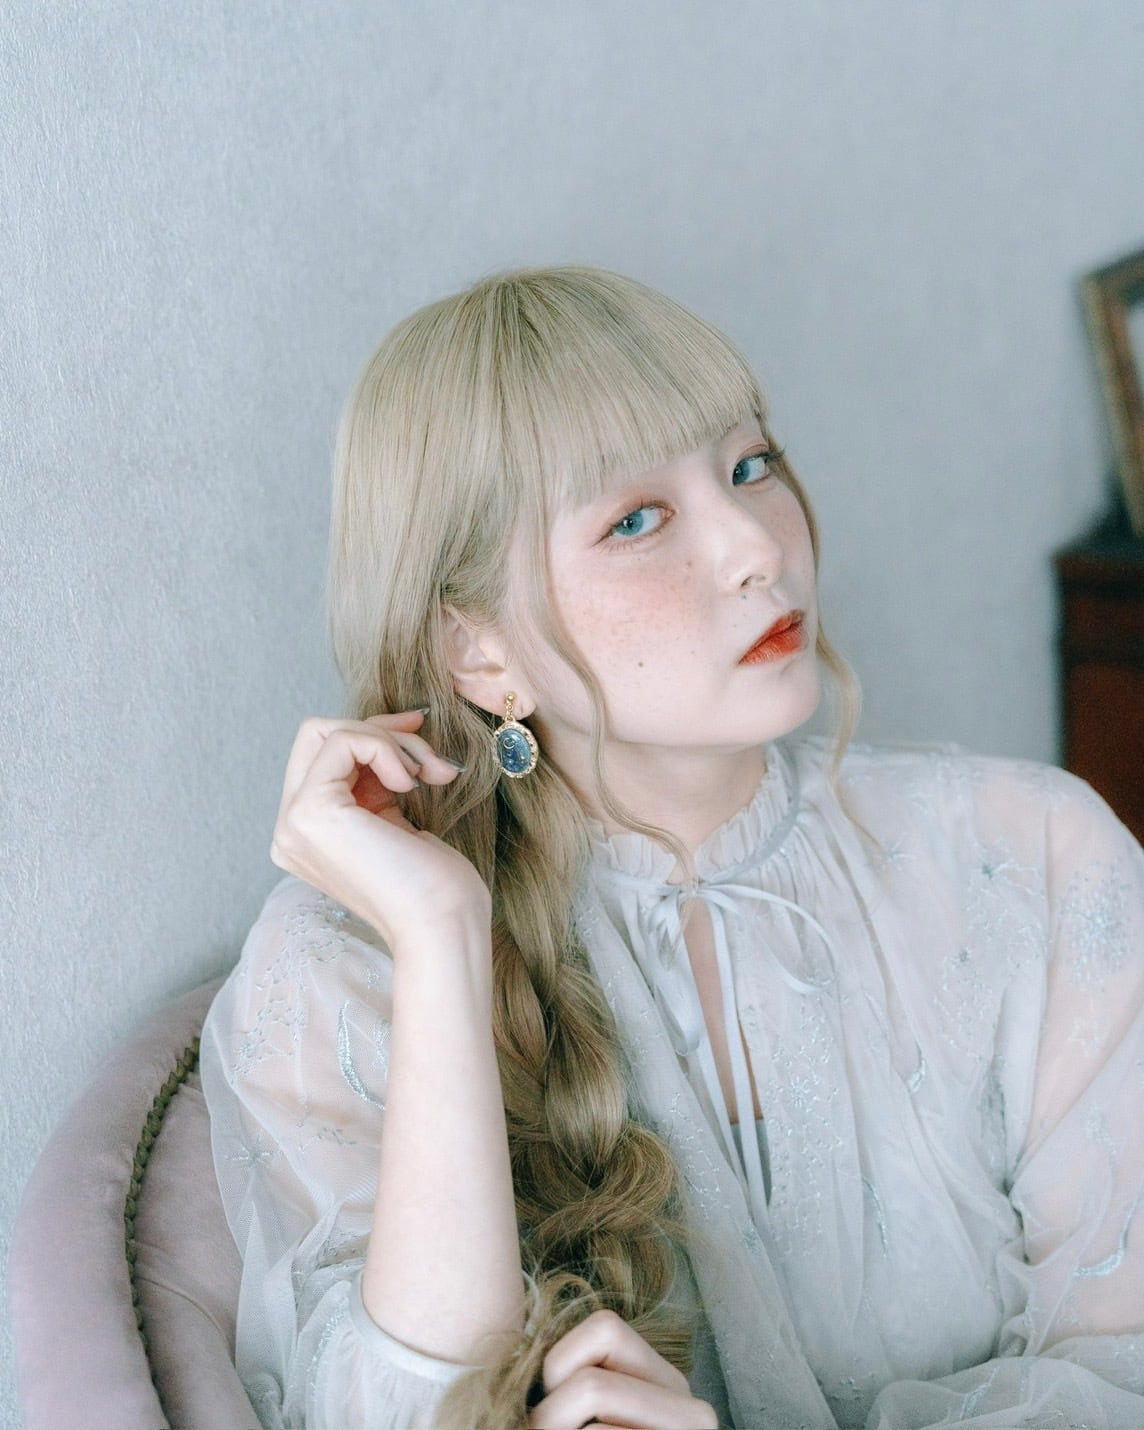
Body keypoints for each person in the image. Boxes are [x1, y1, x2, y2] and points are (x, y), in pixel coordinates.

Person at [200, 266, 1144, 1429]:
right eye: (636, 519)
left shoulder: (1035, 858)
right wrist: (443, 937)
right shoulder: (340, 969)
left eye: (751, 464)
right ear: (479, 651)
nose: (756, 547)